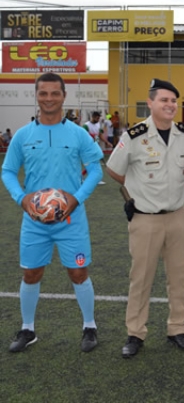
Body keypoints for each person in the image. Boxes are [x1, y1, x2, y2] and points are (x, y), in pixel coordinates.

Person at [1, 72, 104, 353]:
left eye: (54, 93)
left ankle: (89, 326)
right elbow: (8, 171)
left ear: (63, 95)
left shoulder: (78, 134)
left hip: (71, 220)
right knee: (31, 273)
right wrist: (22, 199)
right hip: (34, 221)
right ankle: (27, 329)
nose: (49, 98)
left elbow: (96, 168)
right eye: (43, 93)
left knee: (78, 272)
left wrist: (77, 198)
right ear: (36, 96)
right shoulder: (23, 135)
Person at [106, 78, 184, 358]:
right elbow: (114, 170)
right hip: (145, 219)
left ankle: (177, 329)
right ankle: (135, 333)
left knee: (178, 278)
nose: (170, 105)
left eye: (173, 101)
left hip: (177, 217)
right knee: (141, 279)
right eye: (164, 100)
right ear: (150, 103)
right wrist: (133, 193)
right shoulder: (133, 136)